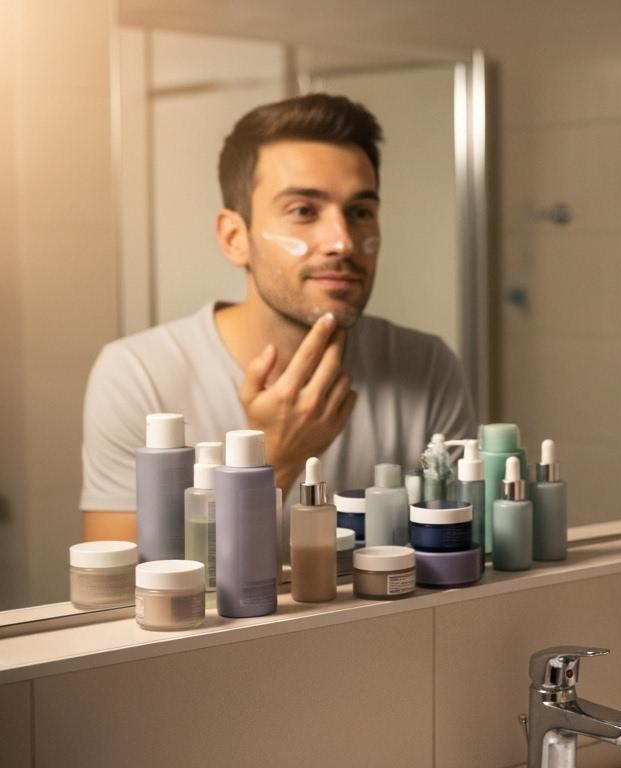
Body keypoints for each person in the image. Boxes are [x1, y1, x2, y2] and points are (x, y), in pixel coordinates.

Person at [82, 93, 474, 541]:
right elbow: (117, 603)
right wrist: (276, 461)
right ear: (235, 238)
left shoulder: (426, 367)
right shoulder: (138, 374)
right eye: (304, 211)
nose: (342, 241)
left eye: (360, 212)